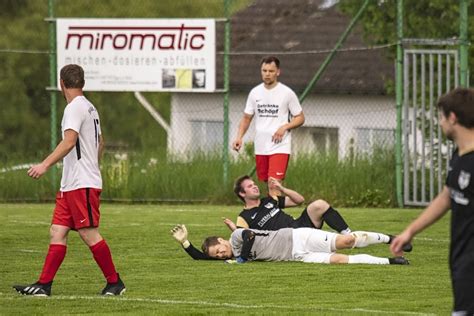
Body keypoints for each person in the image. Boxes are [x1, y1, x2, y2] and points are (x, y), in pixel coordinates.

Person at [13, 64, 125, 297]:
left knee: (88, 233)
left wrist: (44, 164)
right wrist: (93, 164)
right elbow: (100, 142)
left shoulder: (74, 107)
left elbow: (69, 141)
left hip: (81, 183)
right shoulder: (90, 107)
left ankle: (115, 283)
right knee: (57, 231)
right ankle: (44, 285)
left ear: (61, 83)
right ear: (82, 82)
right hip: (72, 183)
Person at [175, 175, 412, 259]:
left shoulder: (270, 200)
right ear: (241, 194)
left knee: (318, 205)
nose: (255, 187)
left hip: (300, 226)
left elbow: (300, 200)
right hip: (289, 241)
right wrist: (230, 228)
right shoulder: (243, 216)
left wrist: (281, 188)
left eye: (254, 184)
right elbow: (242, 239)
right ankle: (382, 241)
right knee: (338, 250)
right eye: (249, 186)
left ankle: (348, 233)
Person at [391, 88, 474, 314]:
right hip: (460, 257)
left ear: (453, 118)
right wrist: (410, 231)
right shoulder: (459, 155)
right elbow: (447, 195)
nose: (439, 123)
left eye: (441, 117)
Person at [232, 56, 305, 197]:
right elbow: (247, 118)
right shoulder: (255, 93)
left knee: (274, 184)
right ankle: (275, 214)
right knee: (268, 185)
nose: (267, 74)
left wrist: (284, 127)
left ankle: (275, 217)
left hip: (280, 146)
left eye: (271, 71)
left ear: (278, 72)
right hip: (261, 146)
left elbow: (300, 118)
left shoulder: (287, 93)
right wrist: (239, 137)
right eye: (264, 70)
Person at [171, 224, 410, 265]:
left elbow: (251, 236)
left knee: (347, 241)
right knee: (339, 261)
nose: (222, 254)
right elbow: (200, 259)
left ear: (222, 240)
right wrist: (185, 243)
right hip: (297, 256)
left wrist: (242, 258)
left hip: (298, 237)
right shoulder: (231, 257)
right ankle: (391, 261)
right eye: (218, 256)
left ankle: (392, 239)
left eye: (219, 250)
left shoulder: (236, 237)